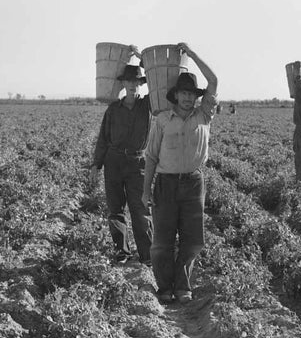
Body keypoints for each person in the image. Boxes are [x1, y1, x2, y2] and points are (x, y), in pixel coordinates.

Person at [142, 44, 219, 305]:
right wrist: (145, 191)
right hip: (165, 183)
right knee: (162, 240)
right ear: (176, 95)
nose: (188, 98)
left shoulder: (204, 115)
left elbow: (214, 80)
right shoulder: (163, 119)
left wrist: (193, 55)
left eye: (191, 94)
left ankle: (182, 285)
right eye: (184, 93)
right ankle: (164, 287)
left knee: (193, 239)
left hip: (193, 183)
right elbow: (151, 156)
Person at [90, 62, 152, 265]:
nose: (133, 84)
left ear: (141, 83)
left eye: (136, 81)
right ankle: (122, 252)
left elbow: (161, 83)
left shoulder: (148, 105)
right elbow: (103, 138)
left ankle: (147, 254)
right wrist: (96, 164)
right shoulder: (113, 108)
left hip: (138, 163)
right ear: (123, 83)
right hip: (114, 161)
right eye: (129, 81)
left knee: (140, 209)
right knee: (115, 209)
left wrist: (143, 60)